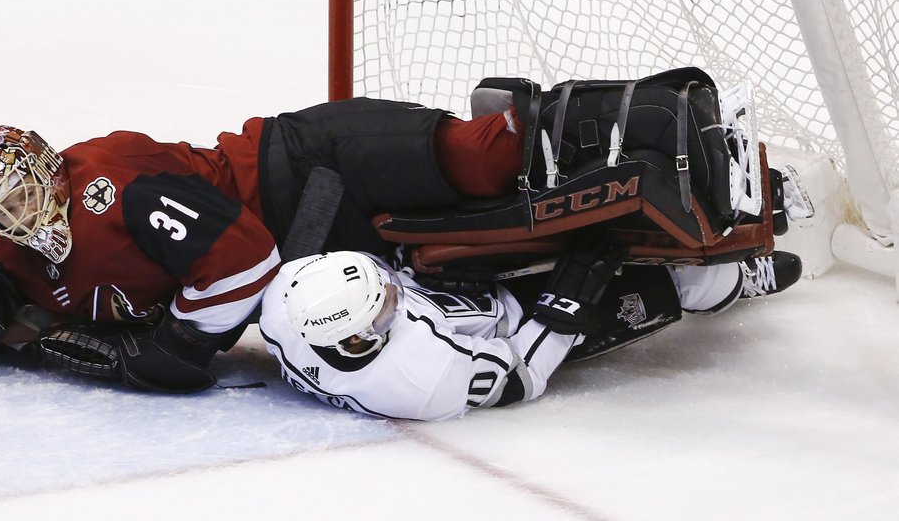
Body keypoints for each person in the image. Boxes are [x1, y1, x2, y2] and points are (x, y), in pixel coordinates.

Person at [0, 99, 527, 393]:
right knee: (480, 250)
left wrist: (181, 341)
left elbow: (245, 260)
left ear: (51, 171)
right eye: (1, 212)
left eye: (25, 195)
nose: (21, 216)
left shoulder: (113, 186)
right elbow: (53, 312)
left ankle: (604, 130)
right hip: (313, 247)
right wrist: (17, 334)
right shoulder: (13, 257)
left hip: (303, 167)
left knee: (484, 161)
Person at [259, 247, 803, 421]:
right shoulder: (419, 382)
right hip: (513, 324)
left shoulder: (293, 299)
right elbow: (520, 376)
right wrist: (564, 306)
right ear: (359, 341)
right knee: (649, 289)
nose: (391, 303)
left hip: (454, 292)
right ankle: (728, 279)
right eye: (384, 313)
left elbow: (376, 278)